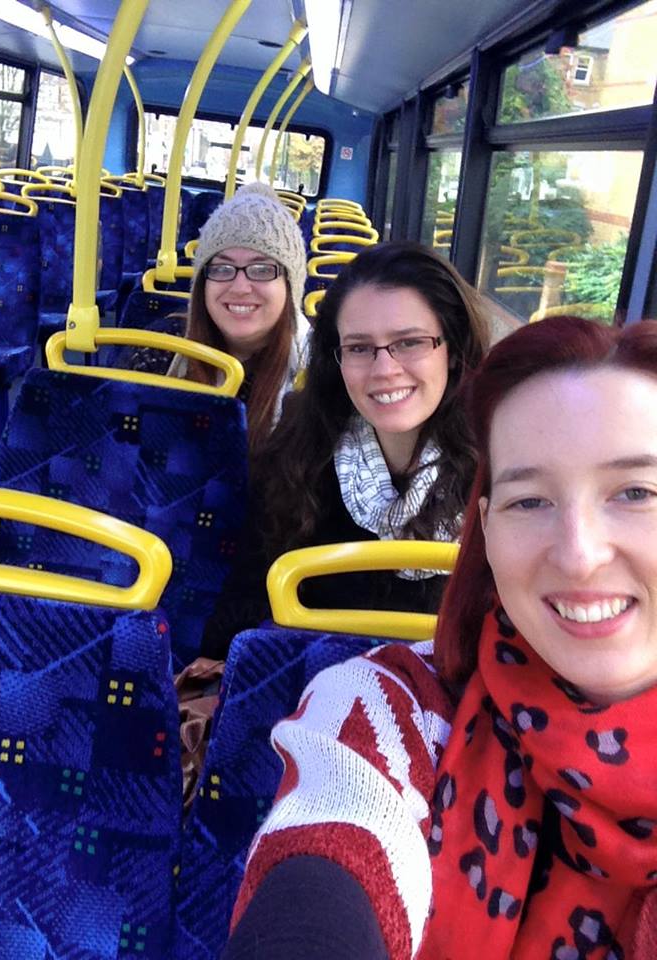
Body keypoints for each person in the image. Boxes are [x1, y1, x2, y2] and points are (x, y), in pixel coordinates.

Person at [223, 315, 657, 959]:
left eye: (636, 492)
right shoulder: (392, 709)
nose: (579, 556)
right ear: (486, 527)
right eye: (529, 501)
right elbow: (336, 836)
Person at [200, 241, 490, 659]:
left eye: (410, 342)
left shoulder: (501, 475)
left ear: (453, 351)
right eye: (359, 348)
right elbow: (246, 597)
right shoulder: (297, 454)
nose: (385, 370)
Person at [167, 181, 309, 455]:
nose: (240, 287)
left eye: (261, 269)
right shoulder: (160, 351)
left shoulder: (317, 374)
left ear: (290, 286)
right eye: (222, 268)